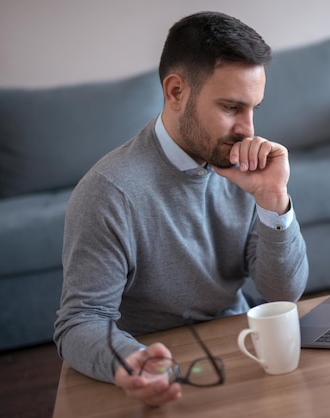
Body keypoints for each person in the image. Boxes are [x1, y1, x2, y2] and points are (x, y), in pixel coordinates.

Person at [54, 11, 309, 406]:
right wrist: (131, 362)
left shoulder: (243, 166)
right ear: (175, 92)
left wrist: (274, 201)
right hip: (159, 365)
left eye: (253, 108)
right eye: (231, 107)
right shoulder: (109, 192)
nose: (249, 129)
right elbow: (80, 322)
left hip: (236, 346)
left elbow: (282, 292)